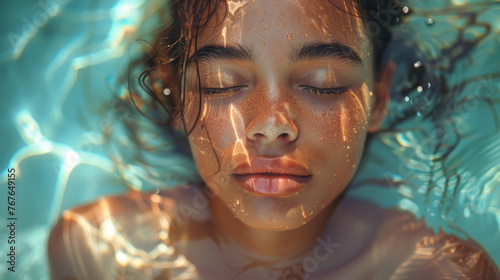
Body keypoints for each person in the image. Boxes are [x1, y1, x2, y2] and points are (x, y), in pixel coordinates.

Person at [47, 0, 500, 279]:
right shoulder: (97, 248)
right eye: (222, 83)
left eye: (323, 83)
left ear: (379, 99)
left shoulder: (441, 272)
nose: (271, 124)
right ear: (176, 95)